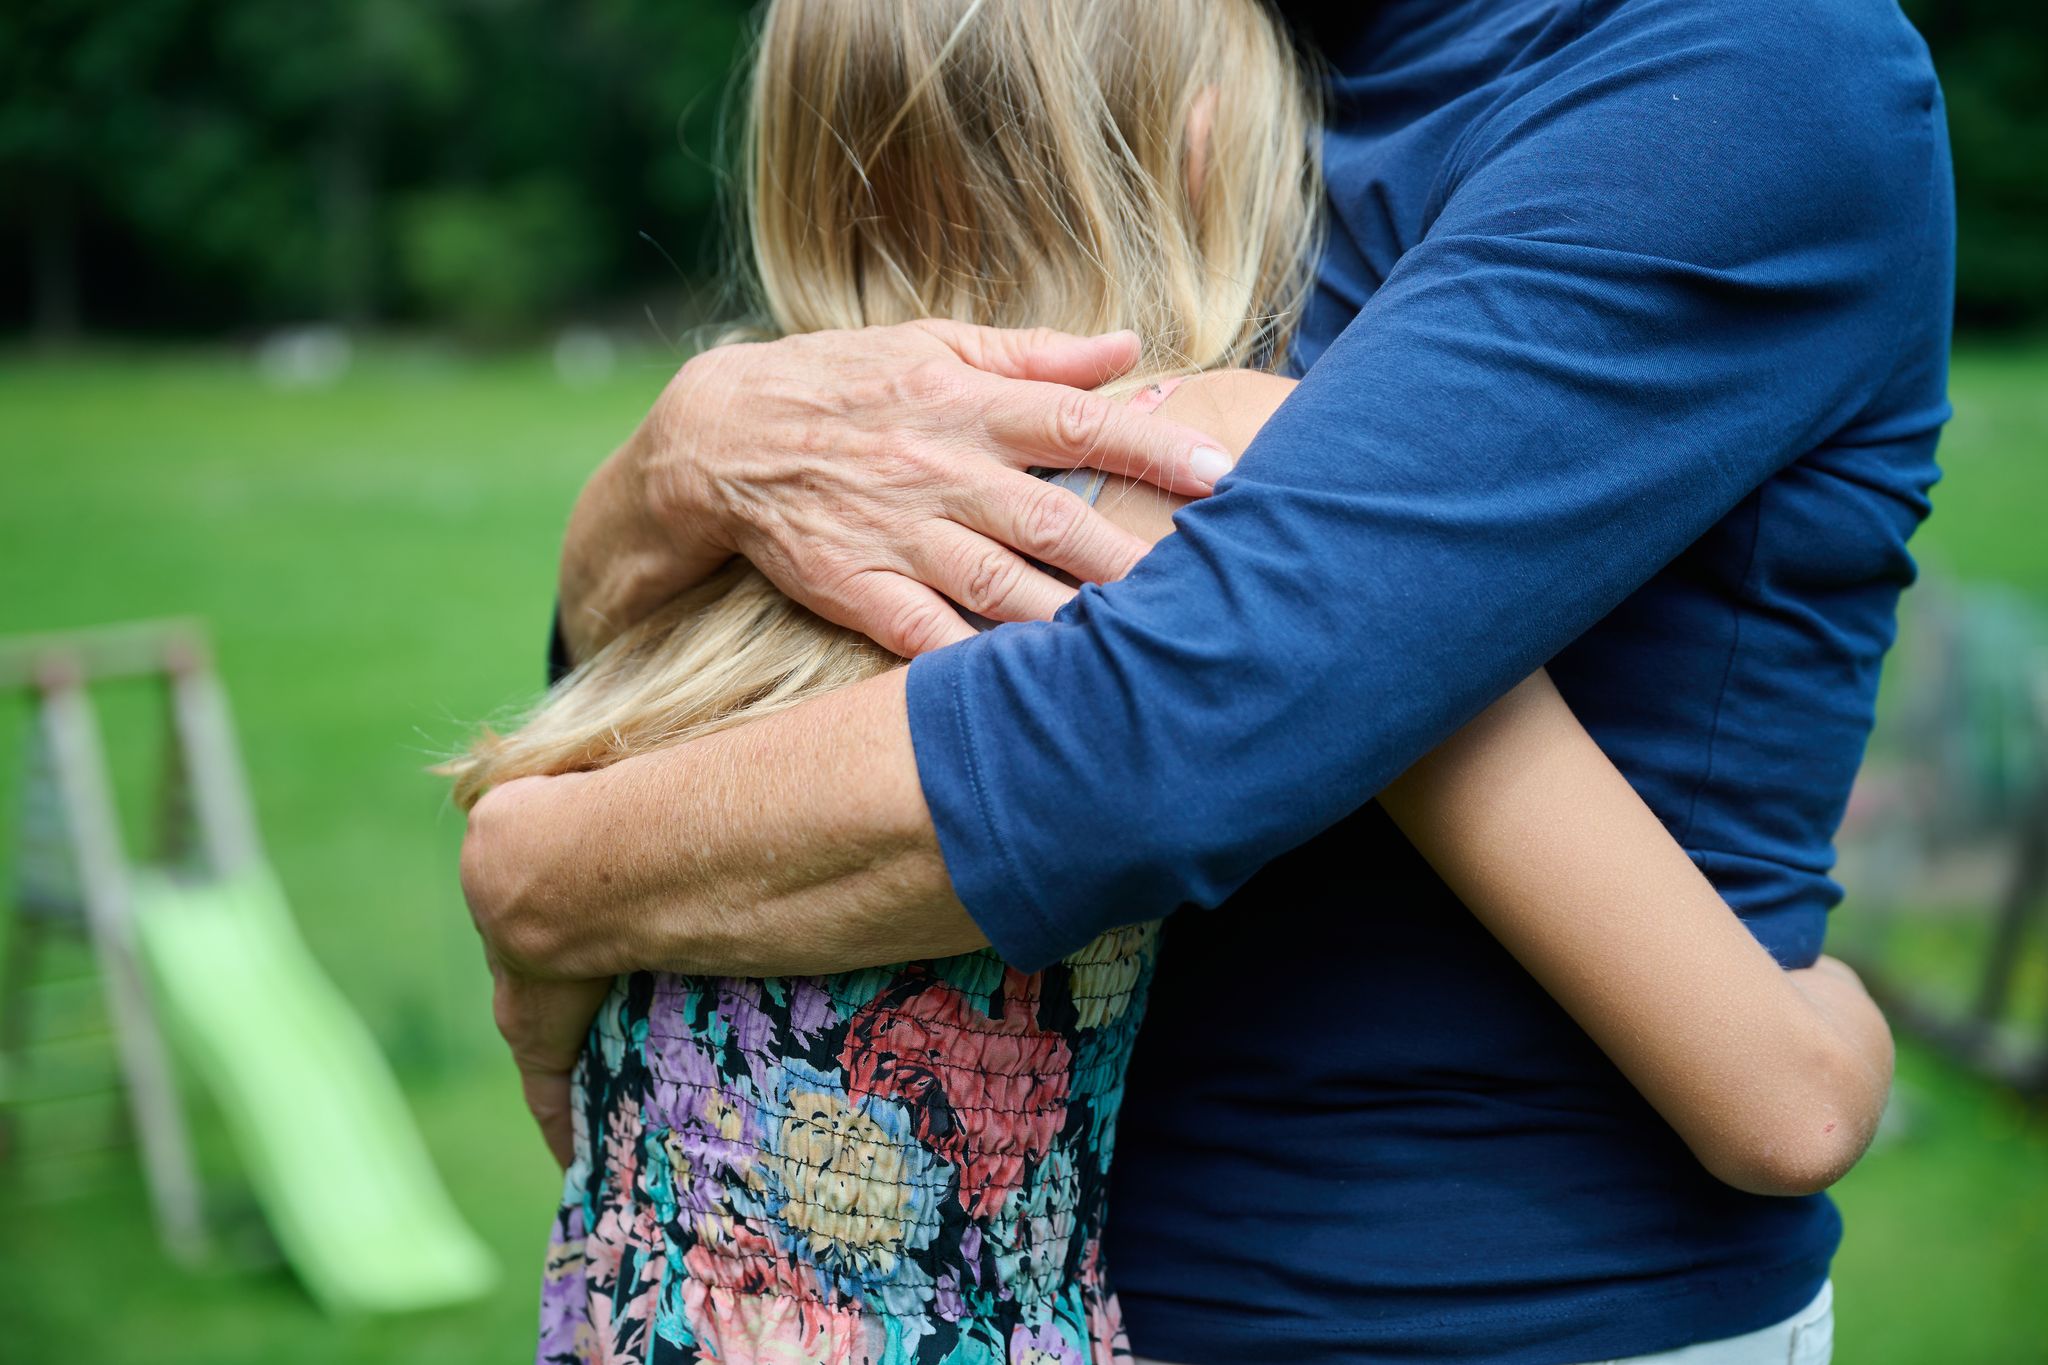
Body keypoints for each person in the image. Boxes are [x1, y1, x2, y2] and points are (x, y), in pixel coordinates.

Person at [459, 0, 1952, 1360]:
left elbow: (1169, 728)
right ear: (1204, 151)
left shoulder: (1741, 66)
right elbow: (1787, 1098)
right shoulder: (1088, 457)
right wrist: (673, 471)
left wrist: (549, 858)